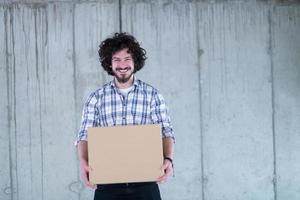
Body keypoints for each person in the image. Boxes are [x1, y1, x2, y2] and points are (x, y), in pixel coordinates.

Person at [75, 32, 175, 200]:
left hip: (145, 183)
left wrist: (168, 160)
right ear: (109, 63)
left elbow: (166, 132)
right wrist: (83, 162)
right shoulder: (96, 98)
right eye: (116, 60)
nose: (122, 65)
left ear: (135, 61)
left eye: (127, 58)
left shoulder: (152, 95)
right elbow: (84, 135)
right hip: (107, 184)